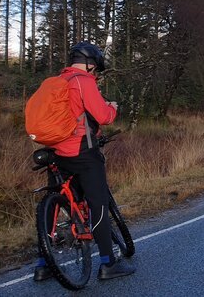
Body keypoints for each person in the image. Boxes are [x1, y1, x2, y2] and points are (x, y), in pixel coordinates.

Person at [34, 42, 136, 281]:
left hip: (55, 152)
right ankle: (108, 264)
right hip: (82, 152)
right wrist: (112, 108)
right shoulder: (83, 81)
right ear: (91, 64)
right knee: (97, 203)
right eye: (96, 67)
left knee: (54, 203)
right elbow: (102, 116)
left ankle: (43, 265)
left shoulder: (56, 82)